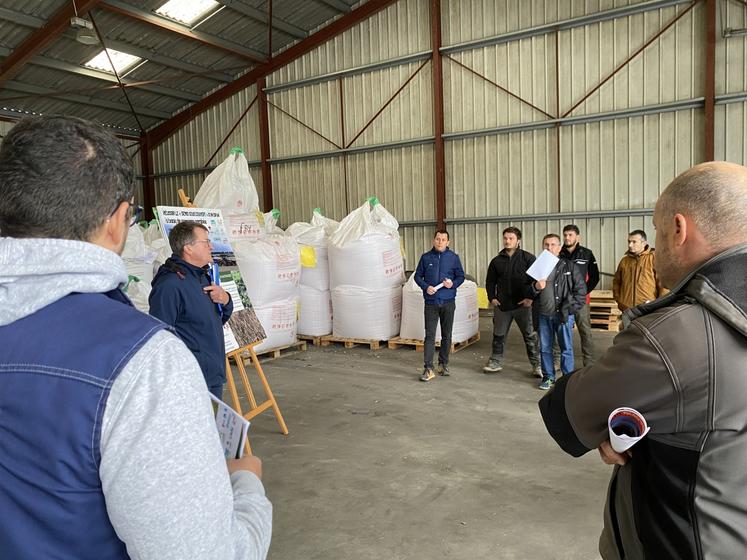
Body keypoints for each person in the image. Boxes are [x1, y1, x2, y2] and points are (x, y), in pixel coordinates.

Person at [0, 116, 271, 559]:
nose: (209, 249)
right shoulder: (142, 359)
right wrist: (246, 487)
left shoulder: (199, 286)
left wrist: (223, 301)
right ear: (117, 220)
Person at [539, 161, 747, 559]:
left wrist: (615, 426)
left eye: (656, 228)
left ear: (679, 229)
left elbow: (570, 412)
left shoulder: (676, 335)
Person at [149, 221, 233, 399]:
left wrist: (225, 300)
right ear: (188, 248)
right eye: (206, 242)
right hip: (190, 381)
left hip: (212, 375)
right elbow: (160, 339)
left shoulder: (202, 276)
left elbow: (214, 320)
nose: (211, 246)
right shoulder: (170, 285)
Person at [484, 227, 541, 377]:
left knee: (530, 336)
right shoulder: (496, 261)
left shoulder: (528, 258)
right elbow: (490, 281)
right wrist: (492, 297)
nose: (507, 241)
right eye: (505, 238)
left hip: (524, 305)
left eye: (511, 238)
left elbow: (538, 281)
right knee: (498, 335)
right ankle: (495, 361)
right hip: (503, 306)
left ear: (518, 241)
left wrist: (531, 298)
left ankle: (537, 365)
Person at [531, 234, 586, 390]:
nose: (549, 248)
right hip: (543, 315)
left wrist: (569, 310)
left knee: (566, 348)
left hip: (562, 315)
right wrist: (535, 287)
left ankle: (567, 380)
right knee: (545, 348)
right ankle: (548, 377)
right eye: (546, 245)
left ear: (559, 247)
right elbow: (526, 291)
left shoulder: (569, 267)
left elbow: (581, 291)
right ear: (542, 247)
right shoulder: (537, 268)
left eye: (553, 244)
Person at [413, 229, 465, 382]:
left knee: (446, 335)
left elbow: (460, 276)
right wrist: (425, 286)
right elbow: (417, 276)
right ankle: (428, 368)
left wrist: (453, 284)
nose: (440, 242)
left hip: (448, 301)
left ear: (448, 242)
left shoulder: (453, 258)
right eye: (438, 239)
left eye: (443, 239)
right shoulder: (426, 257)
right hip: (431, 302)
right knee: (429, 336)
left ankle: (443, 364)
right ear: (433, 240)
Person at [560, 224, 599, 366]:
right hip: (562, 300)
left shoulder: (587, 254)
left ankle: (589, 363)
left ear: (578, 237)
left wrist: (582, 293)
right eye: (565, 235)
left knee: (585, 331)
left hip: (581, 301)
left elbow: (595, 277)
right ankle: (558, 361)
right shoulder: (558, 253)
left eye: (570, 235)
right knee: (560, 331)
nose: (567, 238)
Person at [612, 229, 665, 311]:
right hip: (626, 308)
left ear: (643, 243)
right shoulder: (624, 261)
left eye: (634, 242)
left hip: (647, 309)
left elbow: (663, 285)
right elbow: (617, 281)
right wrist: (619, 299)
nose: (630, 245)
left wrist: (658, 305)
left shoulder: (654, 259)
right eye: (629, 241)